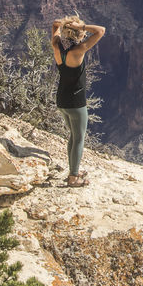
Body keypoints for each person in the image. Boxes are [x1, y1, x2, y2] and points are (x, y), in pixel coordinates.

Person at [51, 15, 105, 188]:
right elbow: (100, 31)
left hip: (62, 100)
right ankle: (74, 177)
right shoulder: (78, 51)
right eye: (80, 31)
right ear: (78, 33)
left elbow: (54, 25)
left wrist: (67, 25)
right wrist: (81, 26)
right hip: (76, 103)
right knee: (79, 138)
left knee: (73, 137)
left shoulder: (57, 46)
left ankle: (73, 170)